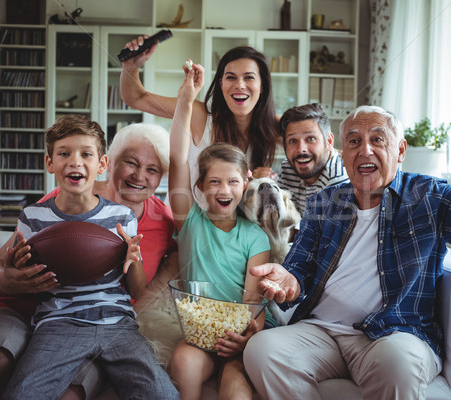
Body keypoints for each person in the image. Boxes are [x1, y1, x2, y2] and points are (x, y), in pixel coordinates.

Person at [242, 104, 451, 400]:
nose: (365, 150)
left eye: (378, 140)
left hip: (393, 333)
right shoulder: (324, 202)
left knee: (396, 364)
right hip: (322, 332)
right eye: (354, 142)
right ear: (343, 155)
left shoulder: (428, 196)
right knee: (262, 350)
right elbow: (298, 269)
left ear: (400, 150)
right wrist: (289, 280)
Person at [0, 123, 176, 400]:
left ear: (101, 163)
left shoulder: (138, 218)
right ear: (113, 163)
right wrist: (11, 278)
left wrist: (137, 262)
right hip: (54, 317)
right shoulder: (42, 213)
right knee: (8, 377)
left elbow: (165, 263)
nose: (140, 175)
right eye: (131, 163)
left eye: (152, 170)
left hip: (115, 321)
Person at [167, 61, 273, 400]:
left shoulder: (255, 235)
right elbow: (177, 158)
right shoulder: (190, 220)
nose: (223, 190)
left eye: (232, 181)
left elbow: (252, 299)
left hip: (237, 338)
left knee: (237, 386)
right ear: (199, 186)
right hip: (197, 335)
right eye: (213, 181)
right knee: (183, 363)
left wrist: (247, 335)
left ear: (246, 184)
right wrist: (186, 99)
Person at [120, 39, 279, 182]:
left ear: (262, 86)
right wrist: (131, 65)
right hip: (187, 212)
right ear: (221, 84)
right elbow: (136, 97)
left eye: (249, 77)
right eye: (231, 77)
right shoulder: (200, 114)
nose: (240, 85)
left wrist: (266, 180)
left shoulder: (274, 125)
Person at [277, 103, 349, 216]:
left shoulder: (339, 177)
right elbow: (285, 221)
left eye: (311, 139)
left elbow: (325, 232)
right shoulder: (287, 169)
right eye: (292, 141)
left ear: (329, 142)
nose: (301, 149)